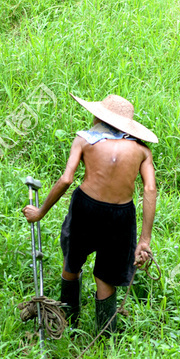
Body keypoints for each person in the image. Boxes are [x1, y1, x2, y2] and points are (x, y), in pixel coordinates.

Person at [22, 94, 158, 335]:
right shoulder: (141, 150)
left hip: (86, 209)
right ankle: (106, 336)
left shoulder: (84, 140)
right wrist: (144, 240)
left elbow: (66, 179)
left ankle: (66, 321)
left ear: (98, 116)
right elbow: (149, 189)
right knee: (106, 276)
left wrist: (40, 212)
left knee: (71, 263)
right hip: (121, 215)